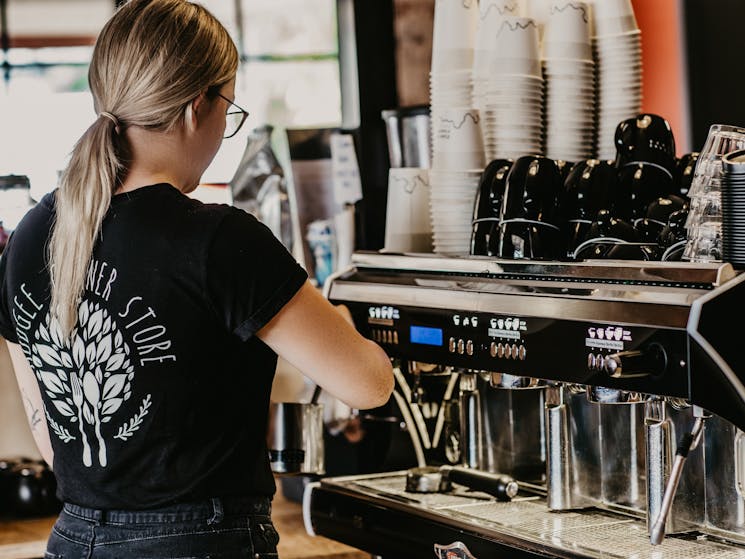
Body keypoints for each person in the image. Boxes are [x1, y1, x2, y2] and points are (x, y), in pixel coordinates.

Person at [0, 0, 393, 557]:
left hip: (74, 540)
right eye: (228, 107)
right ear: (194, 108)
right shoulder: (219, 239)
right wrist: (344, 325)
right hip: (201, 543)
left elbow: (51, 436)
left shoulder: (30, 234)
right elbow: (368, 386)